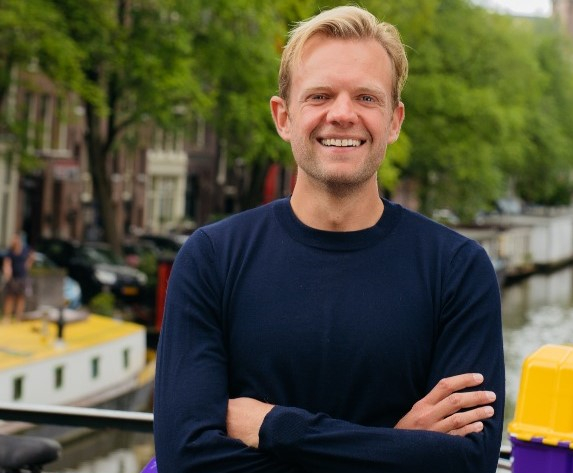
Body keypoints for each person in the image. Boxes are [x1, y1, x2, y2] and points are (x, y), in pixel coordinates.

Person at [153, 5, 504, 473]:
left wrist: (277, 427)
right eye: (319, 96)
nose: (342, 114)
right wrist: (396, 446)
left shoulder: (458, 270)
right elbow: (187, 460)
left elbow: (467, 463)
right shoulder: (212, 259)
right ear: (284, 117)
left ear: (395, 121)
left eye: (366, 97)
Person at [2, 233, 34, 323]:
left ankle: (18, 317)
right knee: (10, 298)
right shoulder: (10, 252)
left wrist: (28, 265)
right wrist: (7, 272)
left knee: (21, 297)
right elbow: (6, 263)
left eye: (15, 239)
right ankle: (7, 317)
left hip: (23, 277)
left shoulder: (25, 250)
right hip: (13, 278)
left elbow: (32, 256)